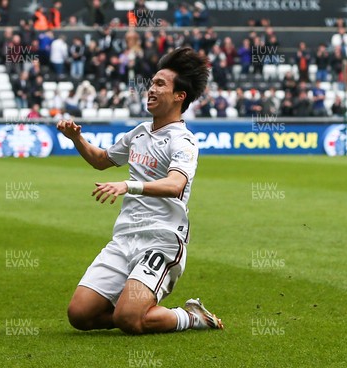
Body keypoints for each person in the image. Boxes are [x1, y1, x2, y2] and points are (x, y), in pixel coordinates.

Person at [56, 47, 224, 335]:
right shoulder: (140, 132)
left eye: (160, 84)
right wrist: (77, 138)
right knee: (80, 315)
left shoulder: (183, 141)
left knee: (129, 319)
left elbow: (175, 185)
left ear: (179, 96)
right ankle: (131, 310)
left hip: (162, 239)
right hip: (124, 238)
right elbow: (101, 160)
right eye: (152, 83)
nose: (151, 89)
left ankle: (190, 316)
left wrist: (127, 185)